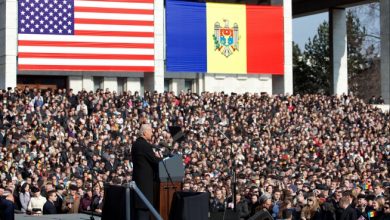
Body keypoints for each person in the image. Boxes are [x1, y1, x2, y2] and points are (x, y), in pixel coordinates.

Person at [131, 123, 162, 220]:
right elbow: (155, 161)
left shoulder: (136, 144)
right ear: (145, 133)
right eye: (151, 131)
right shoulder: (145, 145)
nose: (152, 133)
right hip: (144, 185)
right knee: (143, 211)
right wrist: (160, 158)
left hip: (139, 182)